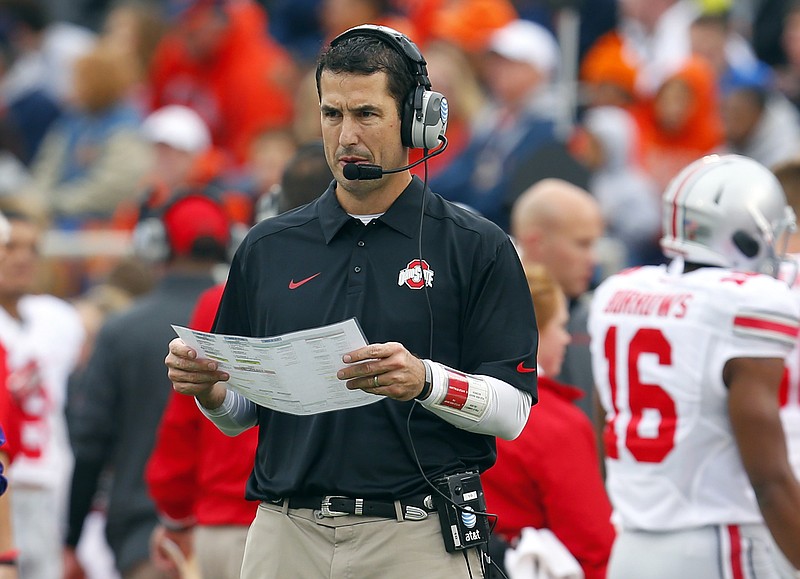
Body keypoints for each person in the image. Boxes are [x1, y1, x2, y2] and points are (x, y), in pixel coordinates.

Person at [164, 24, 538, 578]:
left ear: (416, 119)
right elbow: (242, 416)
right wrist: (213, 391)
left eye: (366, 114)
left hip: (416, 535)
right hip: (285, 531)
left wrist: (425, 381)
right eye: (332, 114)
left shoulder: (475, 246)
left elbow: (513, 412)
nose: (345, 136)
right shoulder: (268, 247)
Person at [587, 153, 800, 578]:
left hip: (632, 543)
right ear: (744, 233)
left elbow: (606, 425)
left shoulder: (620, 293)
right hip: (720, 543)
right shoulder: (747, 302)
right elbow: (768, 479)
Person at [144, 140, 332, 579]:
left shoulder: (223, 298)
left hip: (230, 523)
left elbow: (182, 426)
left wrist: (175, 518)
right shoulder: (370, 294)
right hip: (322, 522)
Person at [63, 194, 230, 579]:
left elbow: (90, 443)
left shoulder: (122, 330)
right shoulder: (252, 319)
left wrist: (70, 539)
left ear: (154, 243)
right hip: (241, 527)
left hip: (147, 534)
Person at [482, 263, 615, 579]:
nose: (567, 339)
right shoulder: (555, 424)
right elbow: (594, 548)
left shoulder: (448, 403)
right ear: (532, 333)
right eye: (559, 326)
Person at [0, 209, 85, 579]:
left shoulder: (58, 319)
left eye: (32, 247)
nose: (22, 257)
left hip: (50, 487)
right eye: (10, 246)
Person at [510, 179, 605, 421]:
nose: (593, 259)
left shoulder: (595, 315)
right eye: (582, 244)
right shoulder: (492, 315)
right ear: (535, 242)